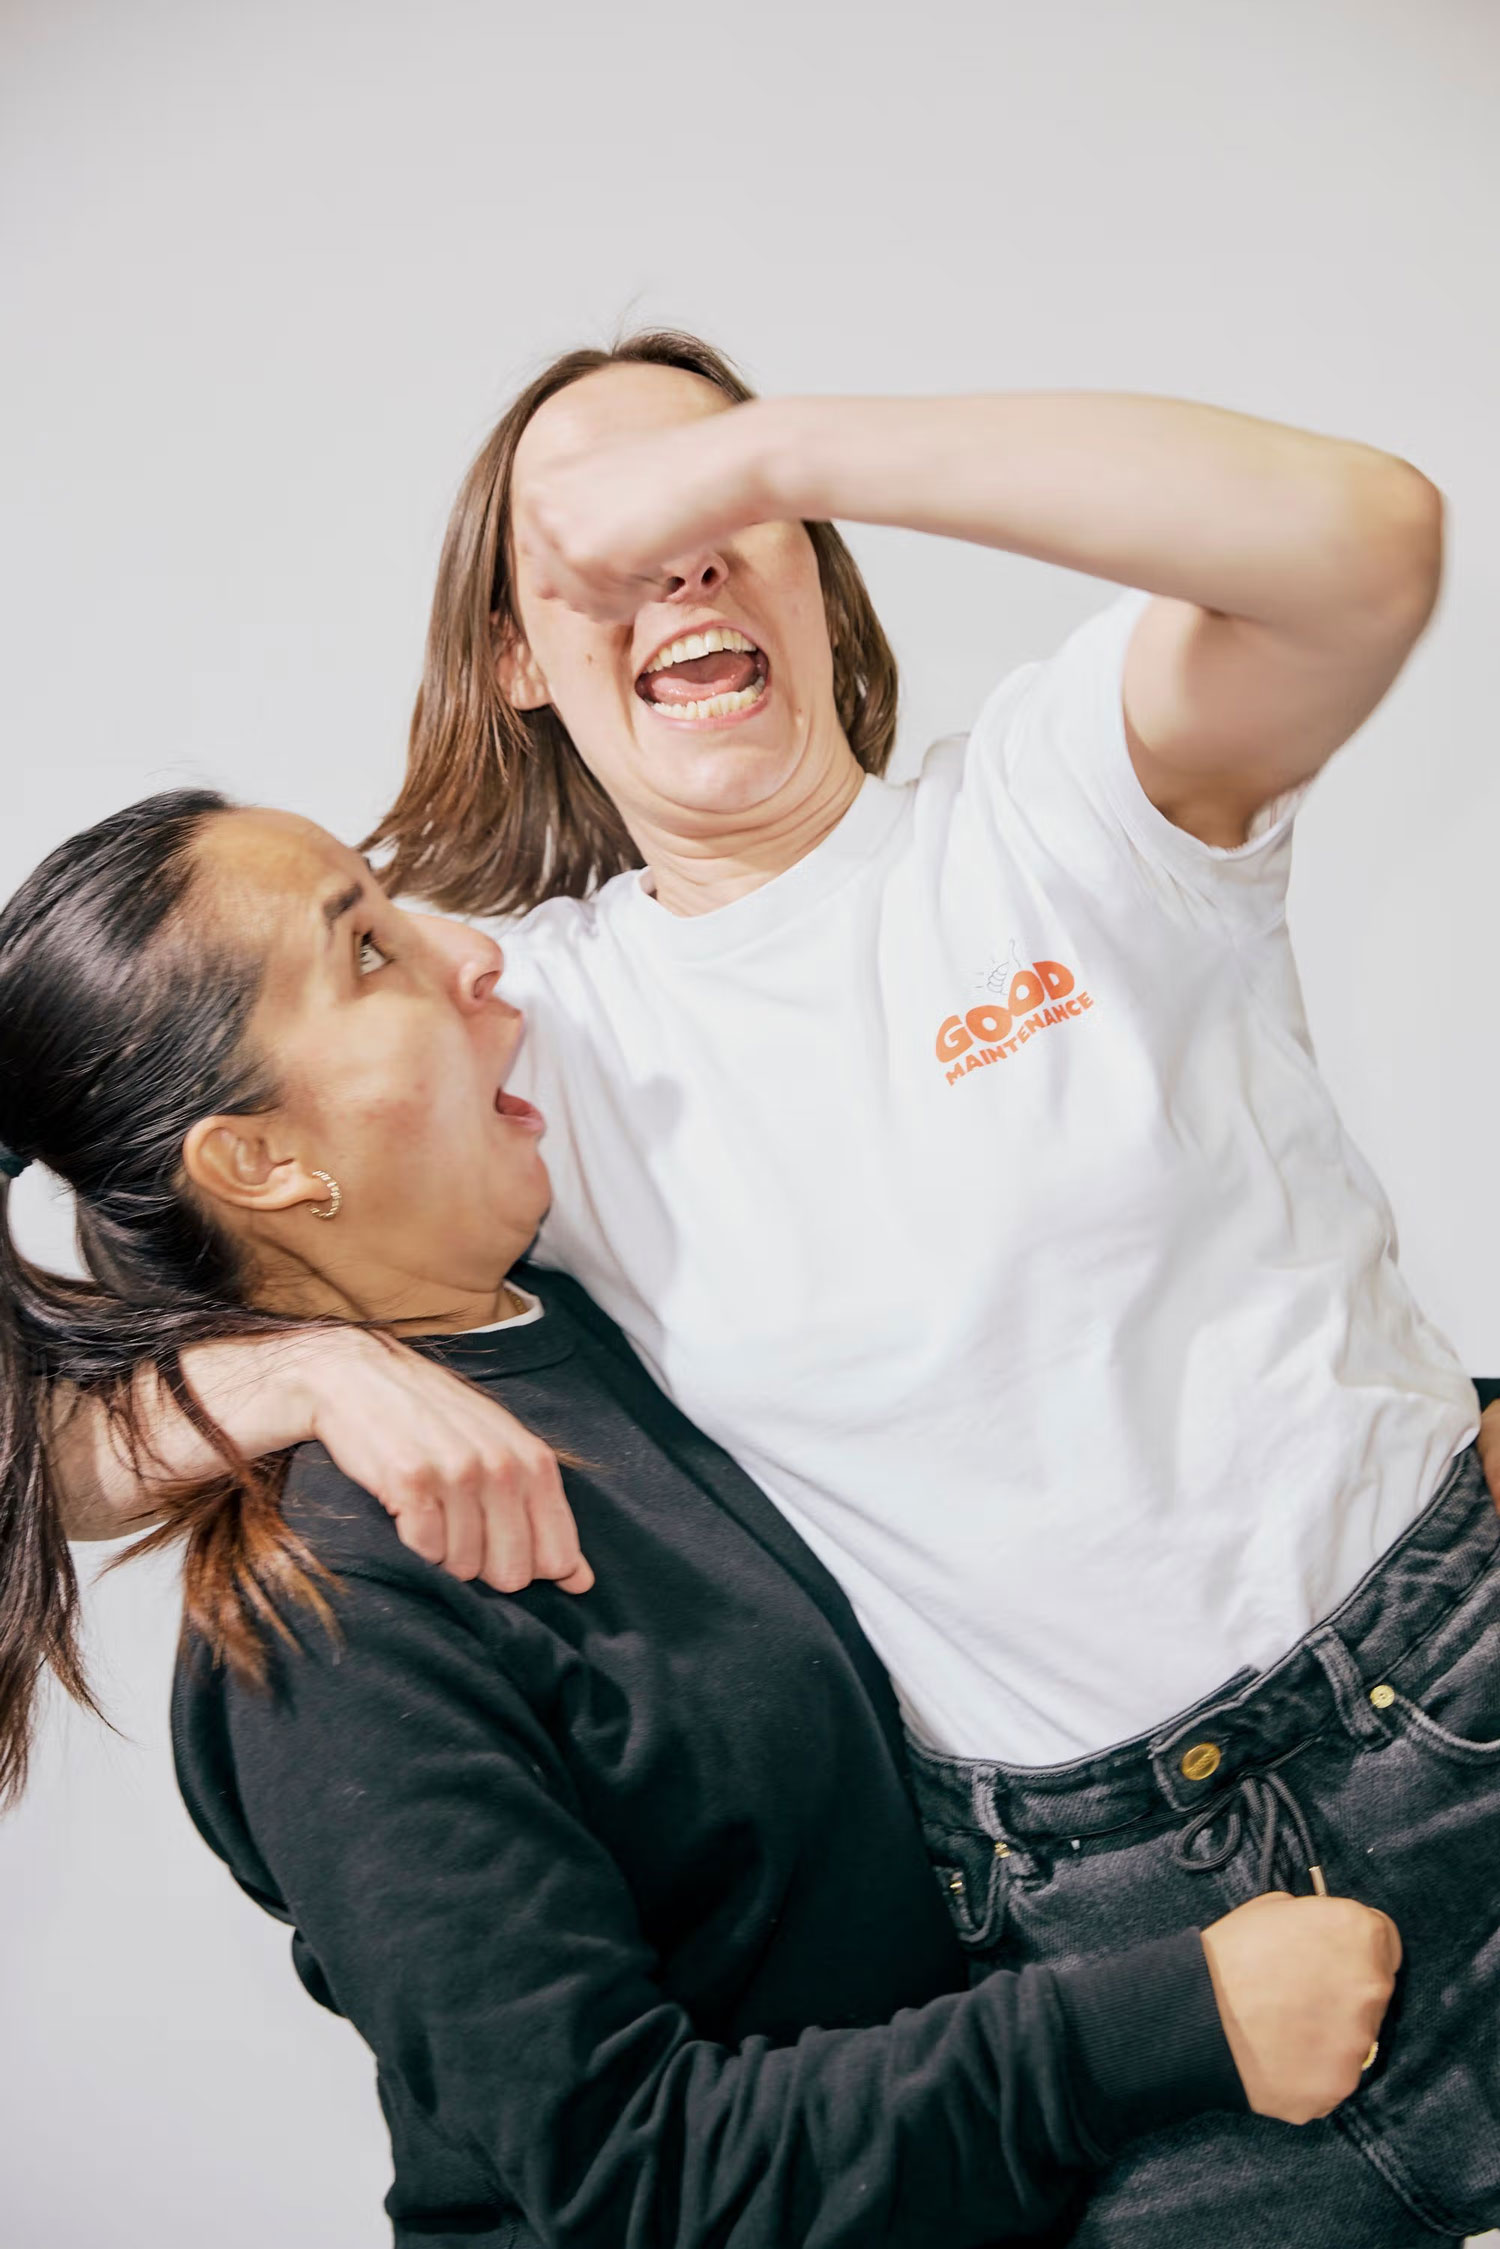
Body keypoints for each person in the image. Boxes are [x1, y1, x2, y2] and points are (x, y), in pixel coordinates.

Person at [47, 336, 1500, 2242]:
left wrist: (788, 445)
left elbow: (1368, 538)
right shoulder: (510, 1021)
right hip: (1113, 1916)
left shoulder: (1063, 804)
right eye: (601, 548)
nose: (686, 566)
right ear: (513, 656)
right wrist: (290, 1382)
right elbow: (160, 1163)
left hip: (1457, 1668)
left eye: (734, 518)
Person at [0, 791, 1399, 2249]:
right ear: (264, 1164)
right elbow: (633, 2175)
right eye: (365, 950)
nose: (469, 954)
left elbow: (1024, 1361)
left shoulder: (583, 1314)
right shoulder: (329, 1623)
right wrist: (1170, 2022)